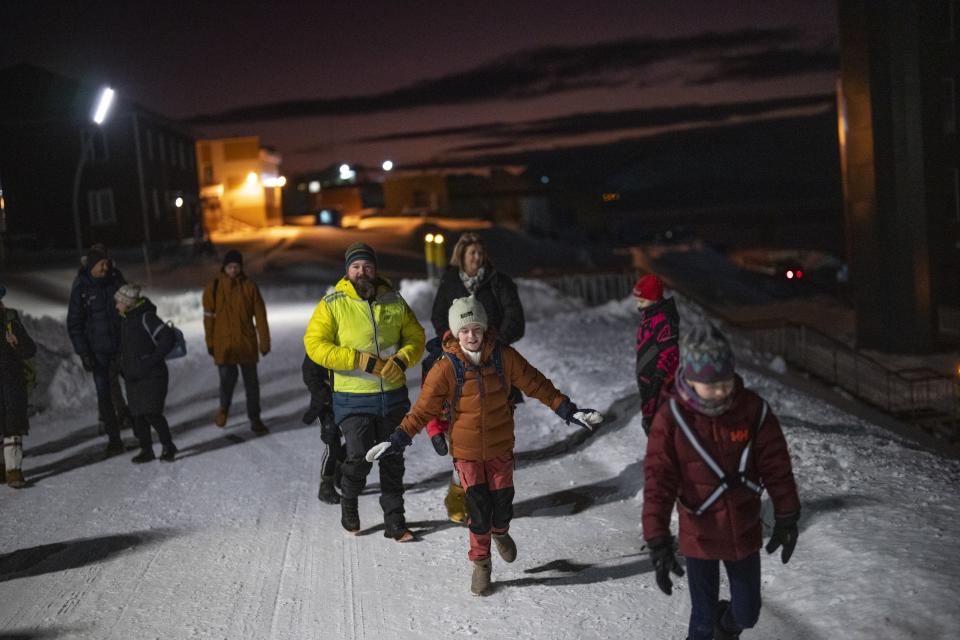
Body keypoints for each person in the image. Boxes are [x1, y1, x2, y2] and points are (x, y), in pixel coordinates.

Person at [367, 295, 603, 595]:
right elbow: (422, 410)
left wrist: (569, 410)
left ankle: (500, 532)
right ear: (455, 333)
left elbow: (537, 384)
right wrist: (397, 439)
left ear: (484, 329)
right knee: (478, 511)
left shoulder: (504, 357)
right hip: (466, 453)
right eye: (465, 330)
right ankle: (481, 564)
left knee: (502, 507)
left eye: (476, 328)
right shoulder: (445, 368)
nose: (471, 335)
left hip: (500, 447)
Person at [643, 323, 800, 640]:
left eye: (726, 381)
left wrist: (786, 514)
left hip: (742, 528)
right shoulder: (672, 418)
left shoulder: (752, 410)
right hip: (699, 532)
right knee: (701, 620)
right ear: (690, 378)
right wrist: (657, 539)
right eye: (710, 384)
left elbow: (776, 465)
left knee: (747, 613)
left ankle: (725, 630)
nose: (721, 391)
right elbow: (658, 481)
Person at [303, 242, 425, 541]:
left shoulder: (393, 300)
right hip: (352, 397)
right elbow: (315, 345)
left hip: (392, 396)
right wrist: (356, 359)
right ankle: (349, 498)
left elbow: (416, 337)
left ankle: (395, 521)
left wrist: (402, 359)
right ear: (348, 271)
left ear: (375, 270)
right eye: (356, 267)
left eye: (367, 266)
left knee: (393, 458)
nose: (362, 272)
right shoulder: (333, 304)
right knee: (358, 454)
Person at [428, 231, 525, 523]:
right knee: (464, 441)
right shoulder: (450, 281)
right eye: (472, 254)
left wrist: (494, 342)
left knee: (495, 440)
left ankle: (494, 499)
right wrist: (454, 340)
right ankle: (461, 497)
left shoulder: (498, 282)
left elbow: (515, 319)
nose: (477, 258)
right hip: (461, 364)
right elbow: (437, 317)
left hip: (495, 368)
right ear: (461, 255)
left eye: (481, 253)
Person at [66, 244, 131, 455]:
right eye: (101, 264)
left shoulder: (115, 280)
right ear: (92, 266)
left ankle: (141, 431)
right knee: (105, 397)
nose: (105, 268)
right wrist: (84, 352)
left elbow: (131, 304)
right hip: (98, 353)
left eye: (107, 263)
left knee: (135, 387)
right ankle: (114, 439)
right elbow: (75, 323)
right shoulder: (82, 289)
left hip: (122, 347)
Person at [202, 250, 270, 434]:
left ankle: (255, 418)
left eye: (236, 267)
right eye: (230, 267)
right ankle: (223, 409)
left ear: (240, 268)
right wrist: (210, 342)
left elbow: (261, 316)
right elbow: (208, 318)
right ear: (224, 267)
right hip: (224, 346)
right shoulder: (214, 287)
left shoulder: (249, 286)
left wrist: (264, 342)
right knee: (226, 382)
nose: (233, 270)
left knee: (252, 385)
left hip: (246, 343)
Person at [114, 284, 179, 464]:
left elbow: (168, 337)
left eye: (118, 301)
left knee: (152, 413)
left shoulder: (145, 317)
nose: (116, 305)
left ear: (127, 303)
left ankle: (168, 446)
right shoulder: (125, 319)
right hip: (133, 376)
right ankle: (146, 449)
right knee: (137, 415)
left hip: (152, 375)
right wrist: (122, 366)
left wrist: (150, 361)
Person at [633, 274, 680, 435]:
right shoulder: (649, 315)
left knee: (659, 421)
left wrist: (659, 376)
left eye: (642, 301)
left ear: (654, 298)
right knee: (649, 419)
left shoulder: (662, 319)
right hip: (647, 377)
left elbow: (669, 350)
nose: (639, 305)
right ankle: (657, 452)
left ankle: (666, 454)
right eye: (637, 301)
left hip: (659, 380)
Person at [1, 285, 37, 488]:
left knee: (12, 425)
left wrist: (17, 342)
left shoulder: (11, 322)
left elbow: (31, 349)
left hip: (12, 381)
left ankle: (14, 471)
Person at [301, 354, 344, 504]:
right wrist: (323, 394)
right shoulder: (318, 342)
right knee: (332, 444)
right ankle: (326, 484)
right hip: (326, 405)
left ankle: (342, 470)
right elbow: (309, 373)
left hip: (349, 400)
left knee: (356, 440)